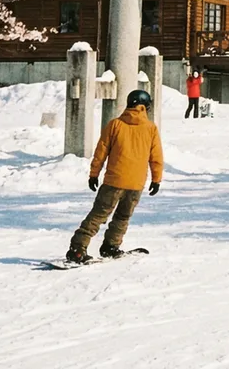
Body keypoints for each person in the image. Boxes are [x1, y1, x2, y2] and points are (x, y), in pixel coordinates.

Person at [67, 88, 163, 263]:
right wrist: (156, 179)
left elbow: (101, 152)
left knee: (98, 215)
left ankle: (77, 248)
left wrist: (94, 174)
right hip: (136, 184)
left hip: (114, 181)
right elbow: (156, 157)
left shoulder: (115, 124)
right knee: (122, 216)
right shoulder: (151, 128)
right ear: (146, 107)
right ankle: (111, 245)